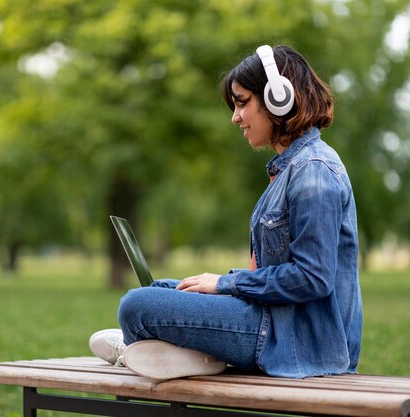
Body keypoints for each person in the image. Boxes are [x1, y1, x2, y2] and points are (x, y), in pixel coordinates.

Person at [89, 44, 362, 380]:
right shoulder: (290, 169)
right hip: (275, 324)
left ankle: (150, 349)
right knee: (161, 289)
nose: (235, 117)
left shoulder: (314, 171)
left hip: (297, 343)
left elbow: (312, 278)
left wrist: (225, 283)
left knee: (136, 305)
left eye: (242, 102)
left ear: (279, 97)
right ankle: (168, 352)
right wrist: (223, 285)